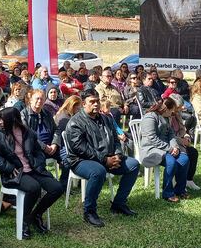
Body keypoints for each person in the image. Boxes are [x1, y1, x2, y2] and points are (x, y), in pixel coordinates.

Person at [0, 107, 64, 238]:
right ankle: (24, 221)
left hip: (34, 169)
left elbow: (38, 151)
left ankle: (35, 214)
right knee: (34, 188)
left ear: (12, 119)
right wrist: (8, 167)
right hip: (14, 173)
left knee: (57, 188)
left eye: (2, 119)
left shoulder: (27, 132)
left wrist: (38, 162)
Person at [66, 89, 140, 227]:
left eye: (97, 101)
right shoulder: (75, 122)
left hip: (108, 158)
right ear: (83, 104)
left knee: (134, 164)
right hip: (81, 160)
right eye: (92, 102)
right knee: (98, 171)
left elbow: (116, 140)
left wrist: (117, 155)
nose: (96, 104)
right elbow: (80, 148)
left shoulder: (106, 119)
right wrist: (104, 160)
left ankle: (118, 203)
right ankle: (89, 211)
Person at [139, 98, 189, 202]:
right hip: (151, 149)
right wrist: (170, 149)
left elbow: (171, 135)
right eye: (171, 111)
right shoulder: (150, 117)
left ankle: (180, 189)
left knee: (184, 159)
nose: (172, 113)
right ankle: (167, 192)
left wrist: (175, 147)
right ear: (165, 109)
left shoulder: (166, 118)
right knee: (171, 161)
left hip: (166, 148)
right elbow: (152, 138)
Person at [21, 90, 67, 184]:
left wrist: (54, 144)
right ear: (30, 100)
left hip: (51, 146)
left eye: (42, 99)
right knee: (39, 162)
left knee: (67, 157)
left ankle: (63, 184)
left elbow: (56, 130)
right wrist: (43, 147)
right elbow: (27, 135)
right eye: (37, 98)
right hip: (35, 148)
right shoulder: (24, 115)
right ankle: (48, 184)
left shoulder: (47, 113)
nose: (40, 101)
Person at [166, 93, 200, 191]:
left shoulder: (177, 114)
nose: (179, 110)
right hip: (171, 144)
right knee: (183, 155)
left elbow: (182, 128)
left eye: (180, 108)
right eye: (177, 108)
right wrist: (181, 141)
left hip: (180, 140)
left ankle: (189, 179)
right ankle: (178, 181)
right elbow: (168, 135)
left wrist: (186, 136)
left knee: (193, 152)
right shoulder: (166, 116)